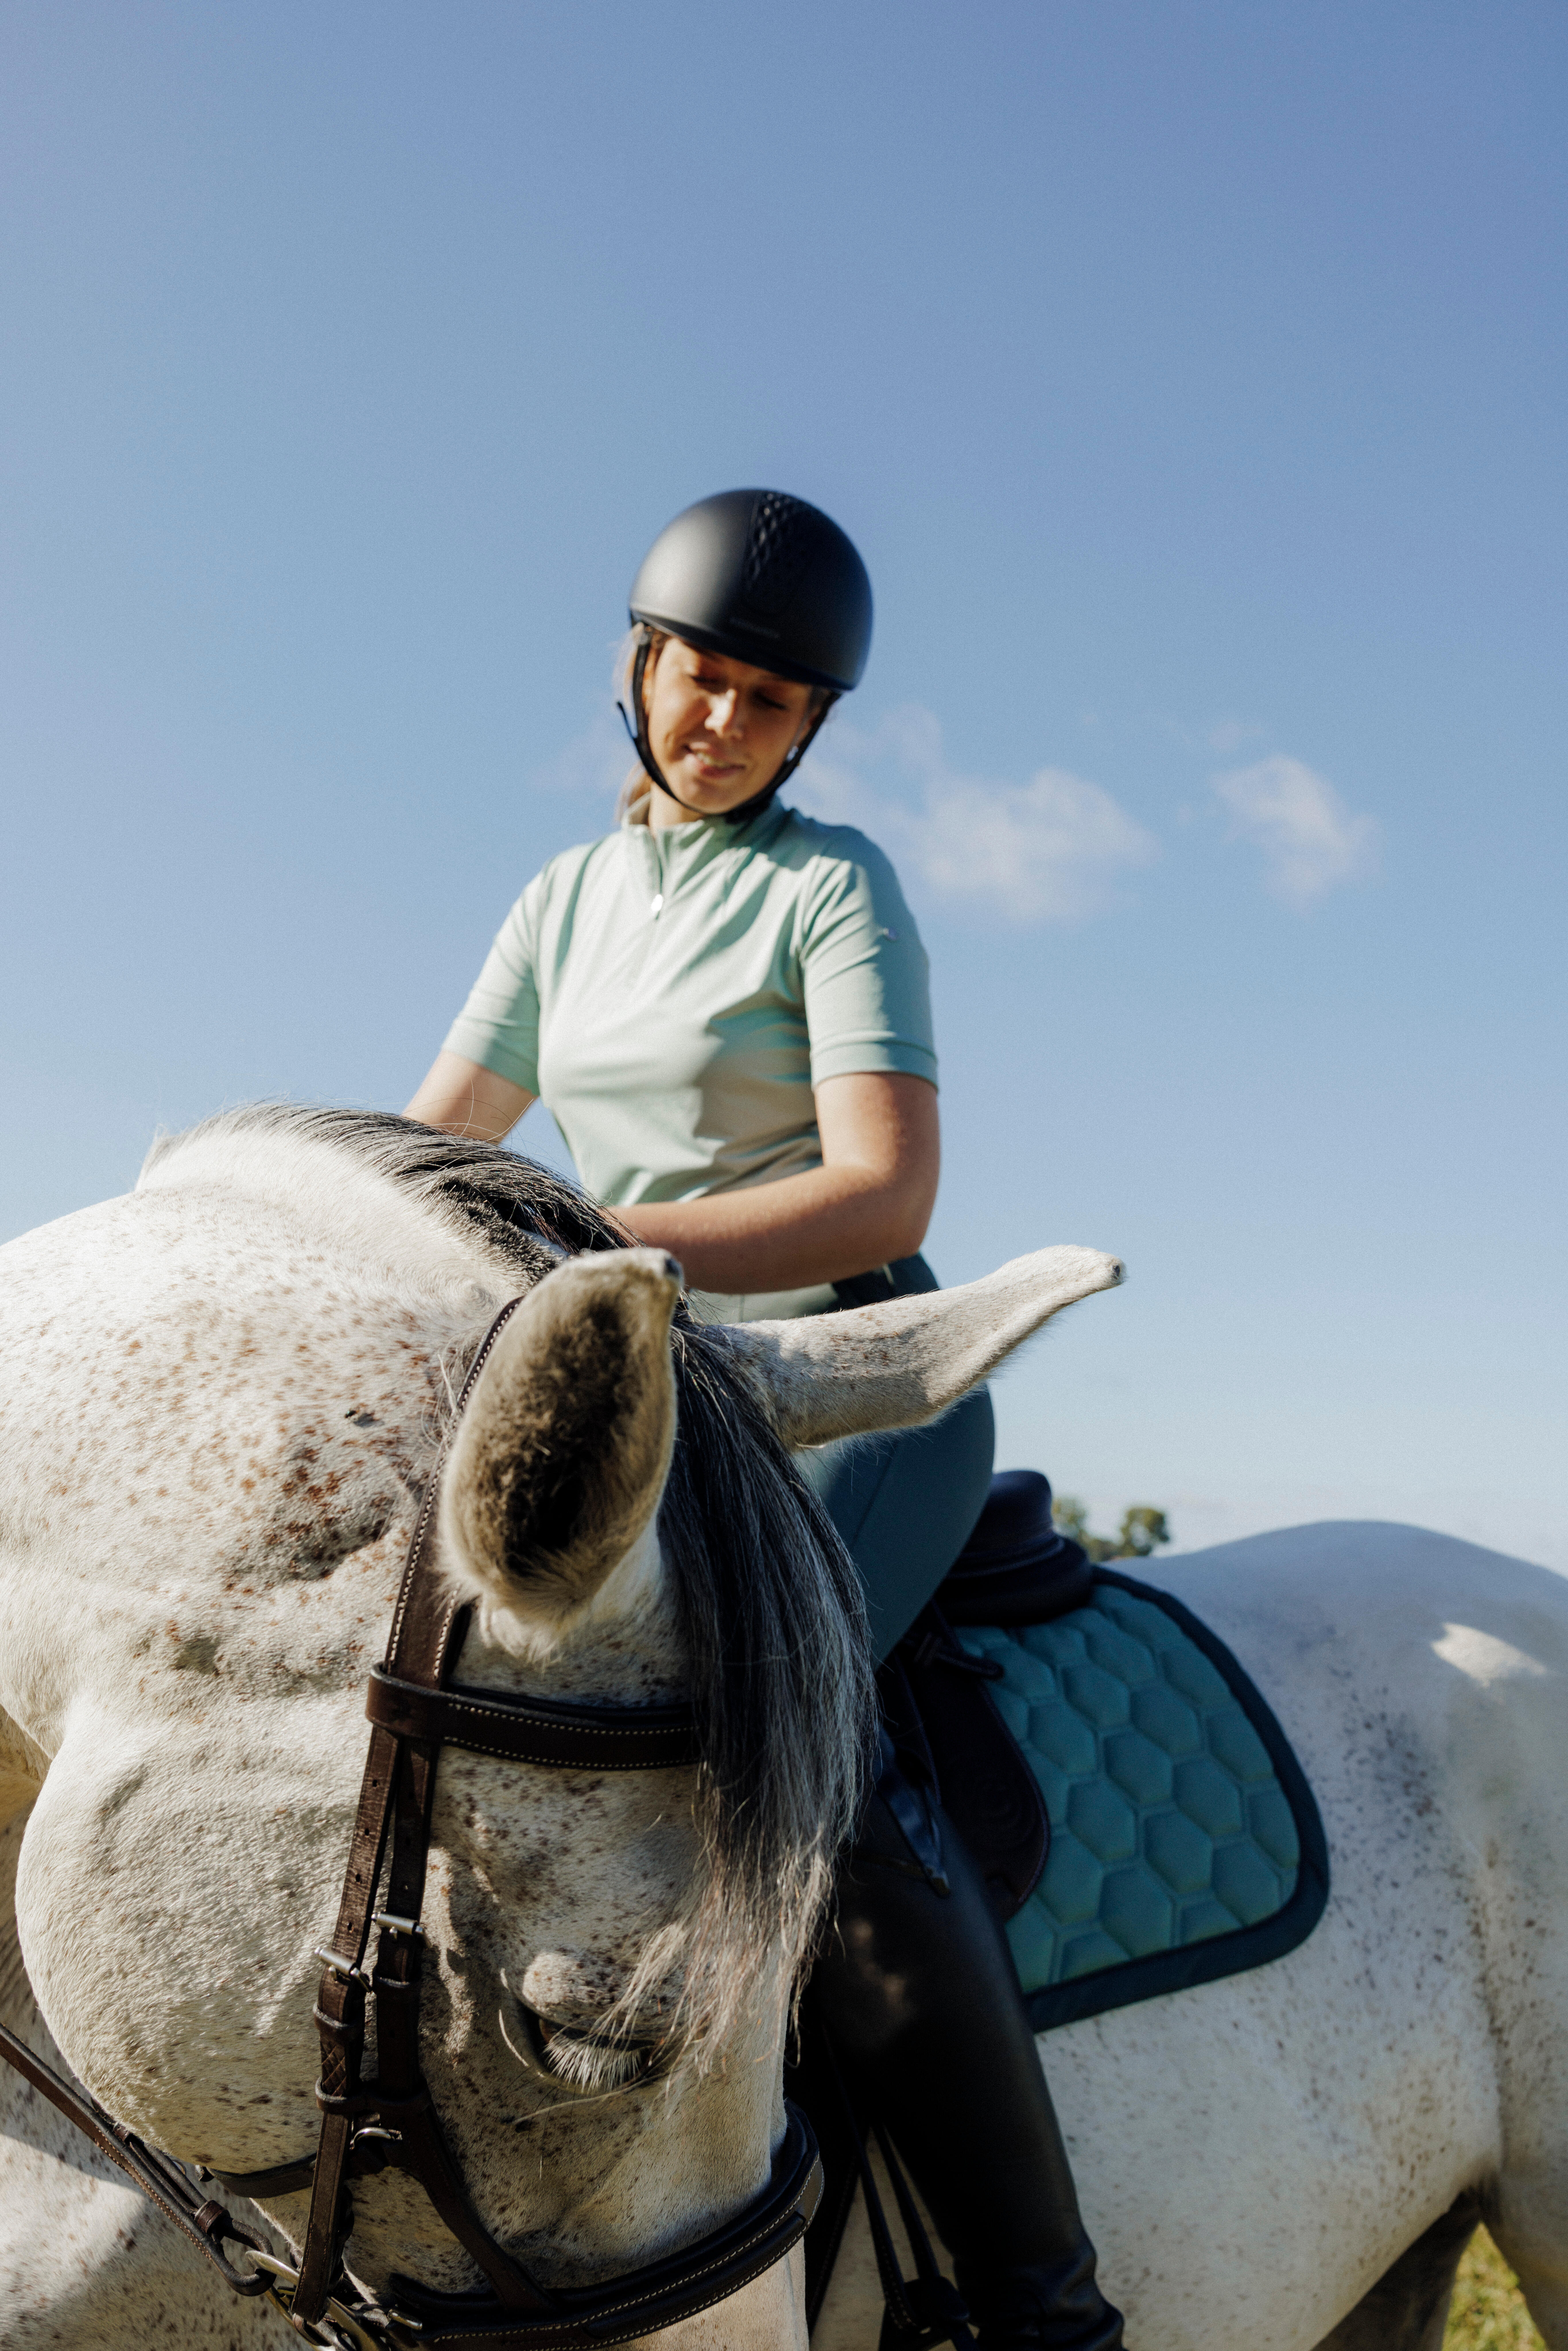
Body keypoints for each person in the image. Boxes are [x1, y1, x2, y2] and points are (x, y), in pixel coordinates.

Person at [405, 489, 1125, 2351]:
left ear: (812, 732)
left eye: (764, 702)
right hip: (662, 1394)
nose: (718, 721)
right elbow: (430, 1155)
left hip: (852, 1383)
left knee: (811, 1771)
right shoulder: (560, 902)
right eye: (697, 678)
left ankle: (1043, 2309)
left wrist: (594, 1243)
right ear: (636, 670)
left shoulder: (833, 886)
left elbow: (884, 1195)